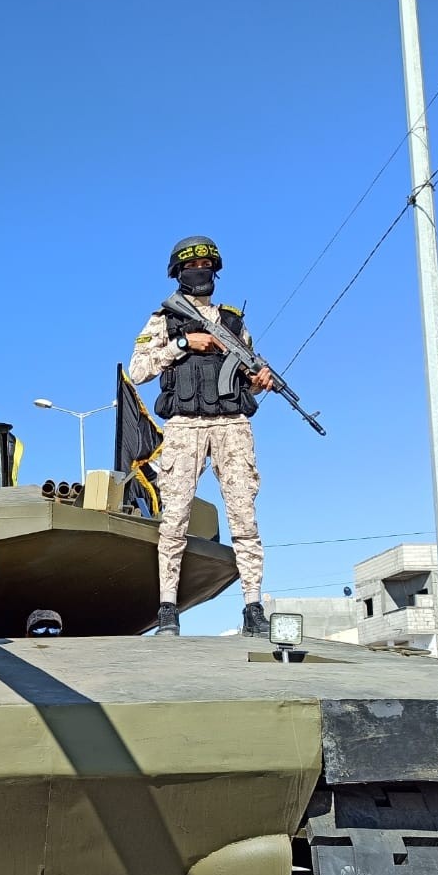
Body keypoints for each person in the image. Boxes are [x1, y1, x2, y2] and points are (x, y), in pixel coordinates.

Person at [127, 236, 274, 638]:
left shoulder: (233, 323)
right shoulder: (164, 319)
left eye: (207, 265)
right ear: (178, 272)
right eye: (193, 266)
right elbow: (137, 370)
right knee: (174, 519)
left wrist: (260, 381)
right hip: (184, 426)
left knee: (244, 517)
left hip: (232, 425)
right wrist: (182, 343)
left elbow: (248, 377)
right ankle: (168, 608)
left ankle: (253, 605)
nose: (201, 271)